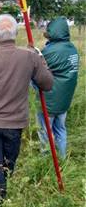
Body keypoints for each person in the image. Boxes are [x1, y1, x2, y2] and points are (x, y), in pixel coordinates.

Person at [0, 14, 53, 200]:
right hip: (14, 125)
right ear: (15, 33)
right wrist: (41, 62)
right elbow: (47, 84)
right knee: (7, 167)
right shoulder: (30, 57)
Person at [37, 16, 79, 159]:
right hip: (65, 99)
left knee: (45, 131)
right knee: (60, 129)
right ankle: (61, 158)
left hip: (49, 100)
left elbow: (36, 70)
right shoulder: (72, 48)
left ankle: (46, 159)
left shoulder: (50, 51)